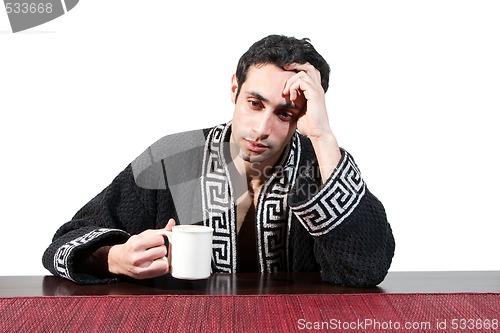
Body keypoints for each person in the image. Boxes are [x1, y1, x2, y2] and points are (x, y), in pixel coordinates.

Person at [42, 34, 395, 287]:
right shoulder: (174, 158)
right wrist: (114, 258)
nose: (261, 129)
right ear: (234, 90)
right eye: (254, 104)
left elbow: (364, 271)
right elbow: (63, 244)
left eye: (285, 114)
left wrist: (323, 136)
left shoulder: (322, 166)